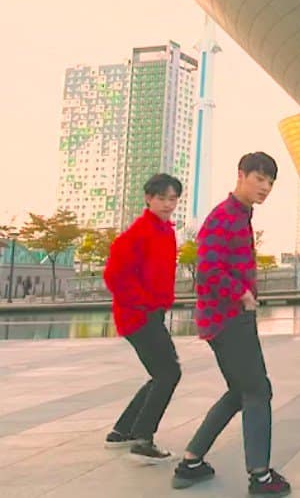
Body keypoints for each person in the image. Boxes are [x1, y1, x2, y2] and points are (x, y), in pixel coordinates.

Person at [171, 152, 291, 496]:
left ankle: (191, 462)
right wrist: (241, 293)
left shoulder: (241, 214)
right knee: (258, 391)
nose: (265, 187)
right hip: (227, 319)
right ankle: (260, 477)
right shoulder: (223, 217)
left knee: (240, 391)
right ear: (241, 175)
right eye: (259, 179)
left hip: (230, 318)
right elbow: (208, 271)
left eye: (270, 182)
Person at [103, 173, 183, 464]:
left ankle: (122, 432)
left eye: (173, 199)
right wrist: (144, 304)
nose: (167, 204)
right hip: (139, 315)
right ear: (149, 199)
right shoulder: (138, 233)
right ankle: (142, 440)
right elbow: (113, 276)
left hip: (151, 313)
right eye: (161, 198)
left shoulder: (166, 231)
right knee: (169, 373)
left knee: (161, 373)